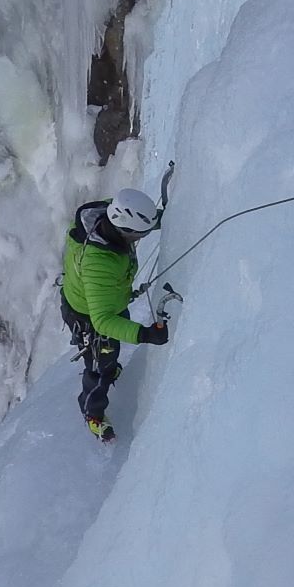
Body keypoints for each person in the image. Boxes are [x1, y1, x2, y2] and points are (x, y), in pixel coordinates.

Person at [60, 188, 168, 442]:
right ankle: (93, 414)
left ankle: (110, 365)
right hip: (90, 317)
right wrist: (144, 334)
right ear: (125, 231)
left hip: (106, 300)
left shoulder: (110, 212)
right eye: (140, 234)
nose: (142, 237)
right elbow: (103, 321)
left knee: (110, 352)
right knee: (100, 368)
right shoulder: (99, 262)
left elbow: (140, 219)